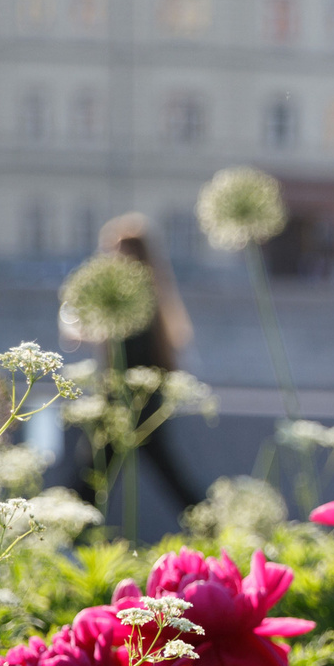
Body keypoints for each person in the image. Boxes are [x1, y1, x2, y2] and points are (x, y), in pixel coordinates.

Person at [62, 212, 204, 514]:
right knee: (101, 472)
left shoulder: (134, 300)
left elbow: (104, 337)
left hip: (128, 401)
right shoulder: (152, 296)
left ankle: (69, 533)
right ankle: (206, 521)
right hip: (139, 399)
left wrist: (77, 323)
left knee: (93, 473)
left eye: (114, 249)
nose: (109, 256)